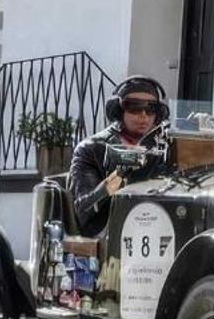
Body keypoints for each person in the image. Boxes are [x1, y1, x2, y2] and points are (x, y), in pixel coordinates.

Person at [68, 75, 170, 236]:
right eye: (134, 107)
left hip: (159, 232)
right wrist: (107, 188)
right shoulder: (92, 149)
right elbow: (82, 211)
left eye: (151, 108)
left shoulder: (167, 148)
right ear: (118, 109)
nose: (143, 115)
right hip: (108, 240)